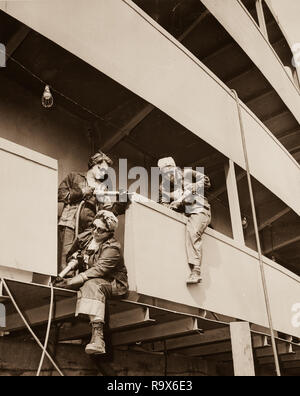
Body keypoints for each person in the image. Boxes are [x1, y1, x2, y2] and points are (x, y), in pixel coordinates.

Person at [55, 210, 128, 355]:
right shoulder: (88, 237)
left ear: (109, 233)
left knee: (92, 285)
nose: (95, 232)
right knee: (87, 284)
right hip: (90, 278)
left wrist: (71, 281)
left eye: (100, 230)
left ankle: (98, 339)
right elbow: (71, 254)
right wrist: (74, 259)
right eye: (94, 226)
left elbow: (99, 270)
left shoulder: (113, 247)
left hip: (112, 283)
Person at [58, 151, 113, 273]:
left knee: (82, 260)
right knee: (66, 257)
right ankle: (62, 283)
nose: (103, 173)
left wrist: (106, 203)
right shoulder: (74, 177)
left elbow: (105, 212)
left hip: (88, 229)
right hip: (70, 223)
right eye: (100, 169)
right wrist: (83, 192)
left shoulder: (103, 187)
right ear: (93, 165)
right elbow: (60, 195)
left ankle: (73, 285)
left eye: (105, 171)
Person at [158, 157, 211, 284]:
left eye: (170, 170)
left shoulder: (187, 173)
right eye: (164, 172)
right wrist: (172, 205)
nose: (168, 175)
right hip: (183, 214)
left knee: (193, 232)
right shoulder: (163, 186)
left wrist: (187, 192)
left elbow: (206, 181)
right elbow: (163, 203)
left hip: (199, 209)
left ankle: (196, 270)